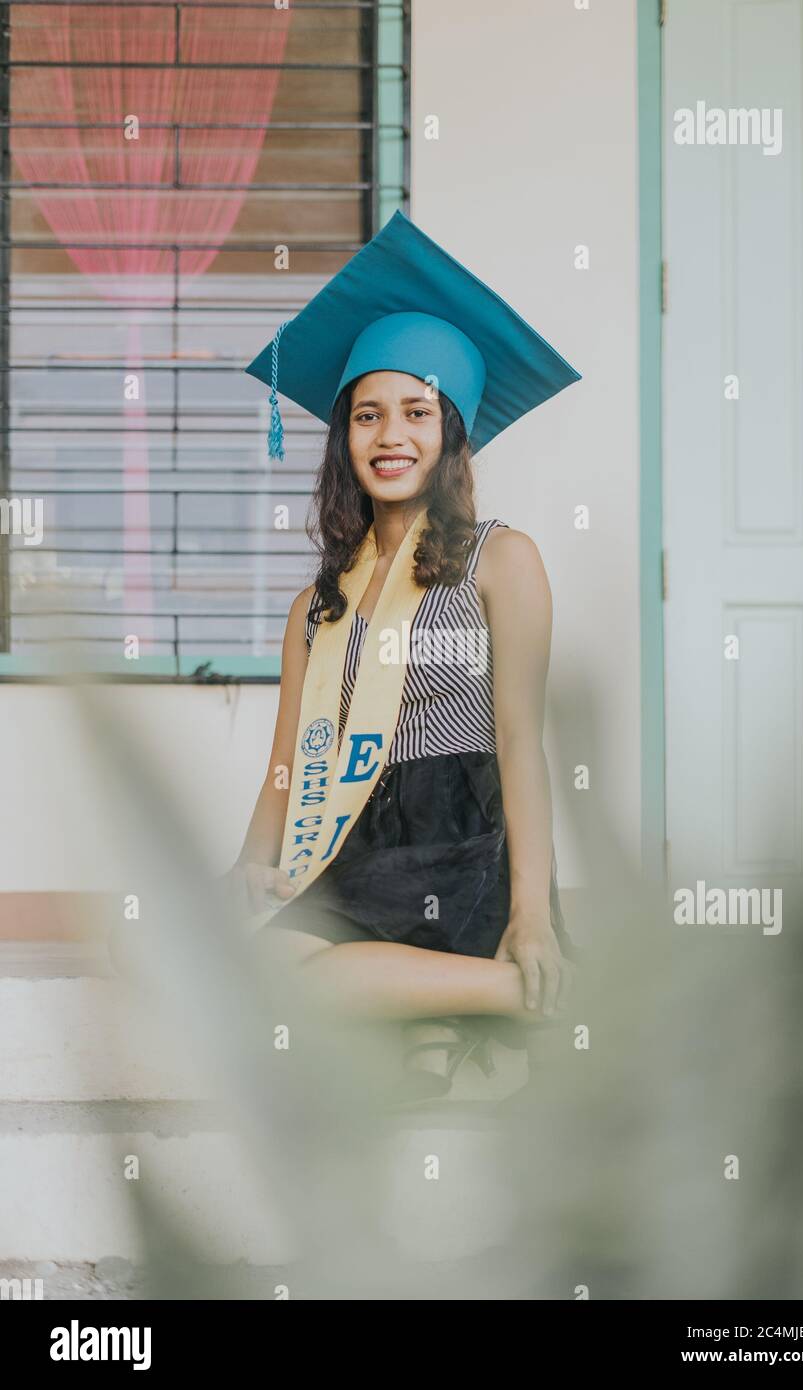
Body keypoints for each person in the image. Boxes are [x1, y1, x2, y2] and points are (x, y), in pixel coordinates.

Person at [234, 211, 582, 1103]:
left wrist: (534, 917)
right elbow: (286, 762)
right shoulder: (317, 604)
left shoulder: (501, 561)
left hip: (462, 832)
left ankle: (500, 981)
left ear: (452, 432)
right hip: (355, 835)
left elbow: (518, 747)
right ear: (343, 439)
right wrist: (249, 860)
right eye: (367, 415)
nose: (391, 435)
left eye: (417, 412)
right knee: (267, 984)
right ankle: (487, 1001)